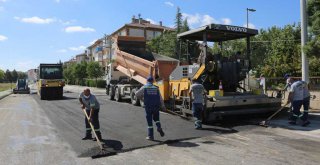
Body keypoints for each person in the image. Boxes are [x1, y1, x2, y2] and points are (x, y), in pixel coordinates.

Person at [135, 76, 165, 141]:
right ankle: (159, 127)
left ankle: (150, 136)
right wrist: (163, 106)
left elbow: (136, 94)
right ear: (152, 81)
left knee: (149, 121)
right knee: (157, 119)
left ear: (147, 81)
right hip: (156, 106)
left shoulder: (144, 87)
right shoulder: (156, 88)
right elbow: (160, 98)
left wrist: (142, 99)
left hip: (148, 106)